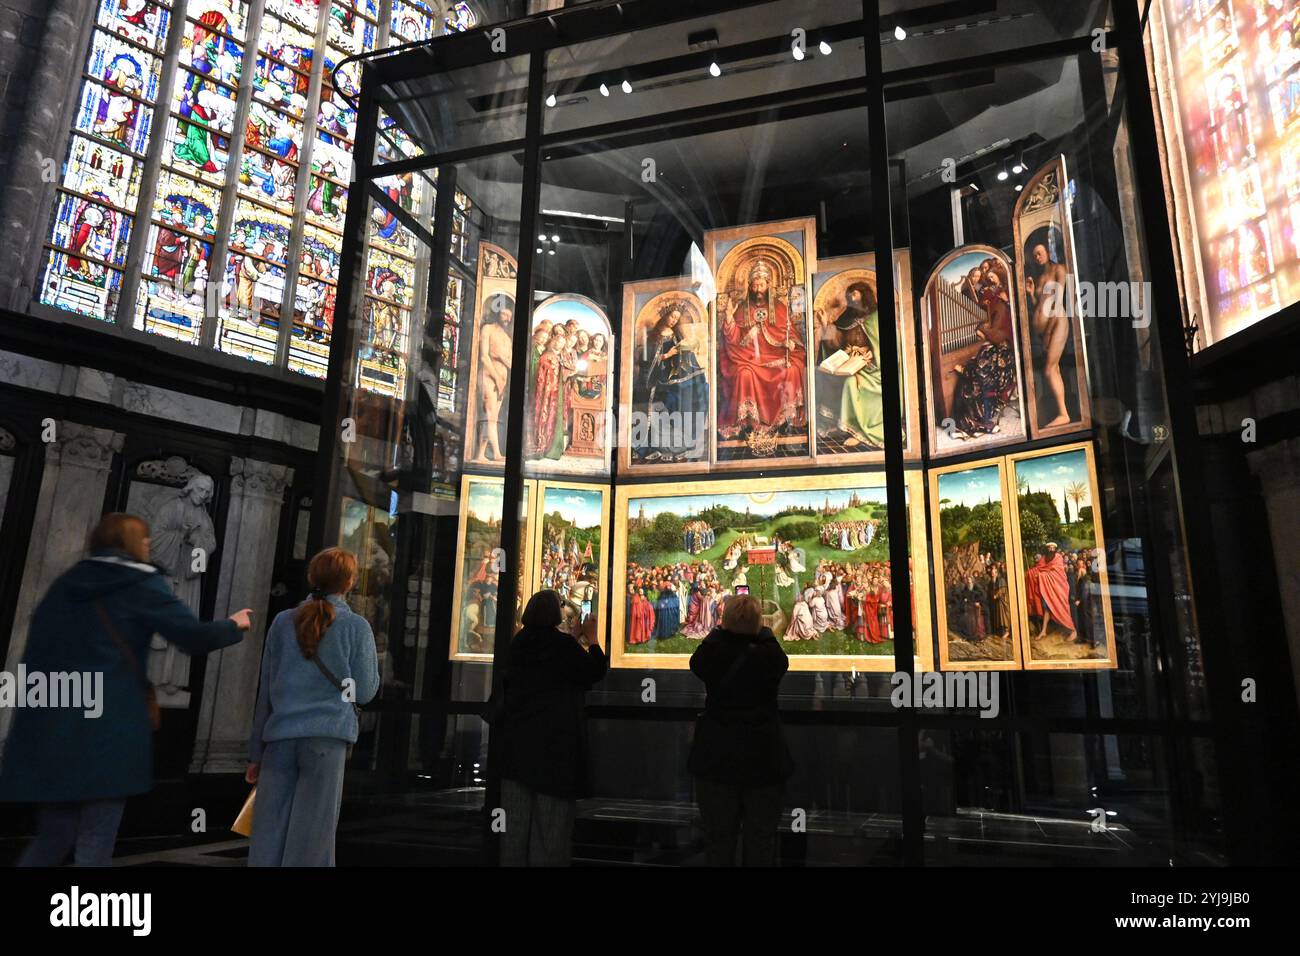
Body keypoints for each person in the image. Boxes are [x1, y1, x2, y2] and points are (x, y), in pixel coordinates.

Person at [0, 513, 252, 866]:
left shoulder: (67, 583)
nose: (150, 545)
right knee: (97, 836)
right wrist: (233, 625)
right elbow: (191, 637)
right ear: (132, 544)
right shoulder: (140, 584)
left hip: (52, 725)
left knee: (54, 835)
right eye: (145, 540)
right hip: (107, 728)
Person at [246, 547, 379, 867]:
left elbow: (265, 689)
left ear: (312, 577)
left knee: (268, 830)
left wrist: (255, 754)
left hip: (280, 738)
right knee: (314, 833)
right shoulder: (356, 627)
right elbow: (366, 690)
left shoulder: (281, 622)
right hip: (326, 738)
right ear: (349, 582)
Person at [498, 590, 607, 865]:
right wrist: (592, 640)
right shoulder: (561, 646)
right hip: (554, 753)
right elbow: (592, 671)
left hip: (516, 751)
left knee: (514, 832)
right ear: (555, 613)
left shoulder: (519, 643)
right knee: (551, 833)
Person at [687, 595, 792, 866]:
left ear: (724, 622)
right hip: (762, 757)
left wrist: (719, 632)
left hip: (717, 758)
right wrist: (764, 633)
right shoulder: (768, 655)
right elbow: (781, 661)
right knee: (761, 840)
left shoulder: (713, 655)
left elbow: (697, 661)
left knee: (719, 840)